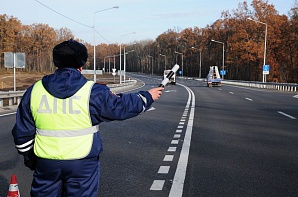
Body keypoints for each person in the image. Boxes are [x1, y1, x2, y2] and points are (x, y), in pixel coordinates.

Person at [12, 39, 163, 196]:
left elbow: (22, 134)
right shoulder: (92, 91)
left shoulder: (35, 90)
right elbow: (121, 107)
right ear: (81, 65)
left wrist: (31, 159)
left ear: (56, 62)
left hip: (46, 163)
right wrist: (147, 97)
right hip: (82, 164)